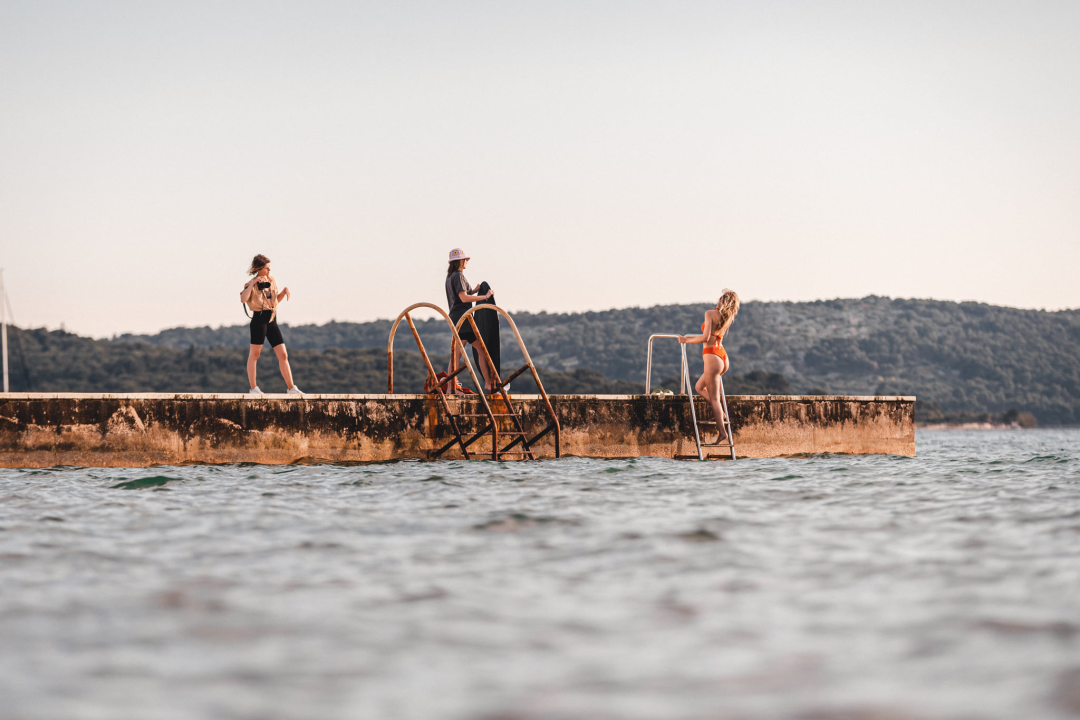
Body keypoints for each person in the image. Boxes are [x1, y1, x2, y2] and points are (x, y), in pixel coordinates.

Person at [679, 289, 740, 443]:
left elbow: (705, 337)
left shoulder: (710, 314)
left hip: (712, 356)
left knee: (714, 399)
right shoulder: (728, 317)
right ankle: (721, 415)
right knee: (699, 387)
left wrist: (686, 341)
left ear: (721, 301)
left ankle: (722, 432)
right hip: (722, 357)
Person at [240, 254, 303, 395]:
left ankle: (291, 388)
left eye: (269, 268)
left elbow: (274, 302)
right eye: (267, 268)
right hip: (259, 320)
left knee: (283, 355)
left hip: (272, 319)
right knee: (254, 355)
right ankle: (253, 388)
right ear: (259, 269)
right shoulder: (250, 284)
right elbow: (243, 299)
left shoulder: (272, 281)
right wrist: (252, 283)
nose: (269, 270)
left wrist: (284, 291)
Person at [445, 248, 494, 393]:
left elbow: (461, 296)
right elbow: (463, 299)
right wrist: (485, 297)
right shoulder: (459, 276)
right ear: (460, 261)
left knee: (462, 352)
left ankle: (450, 387)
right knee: (478, 349)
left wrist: (473, 290)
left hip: (457, 316)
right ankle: (487, 384)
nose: (467, 262)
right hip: (464, 318)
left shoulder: (450, 277)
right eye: (465, 259)